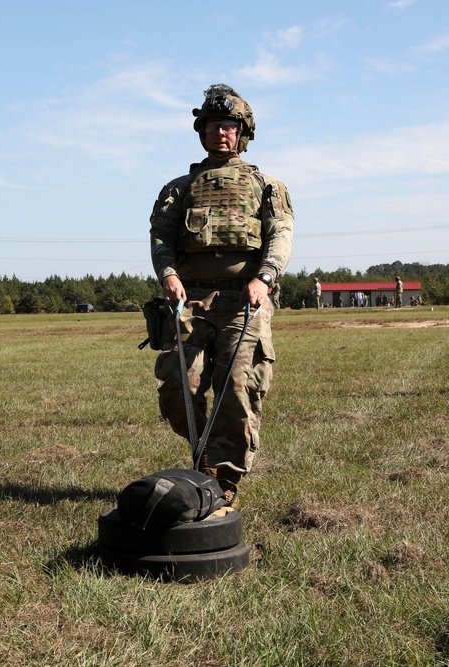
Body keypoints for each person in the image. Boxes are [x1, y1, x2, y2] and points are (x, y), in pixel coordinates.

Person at [149, 84, 294, 504]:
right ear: (202, 132)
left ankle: (224, 476)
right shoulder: (179, 188)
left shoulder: (267, 186)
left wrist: (263, 278)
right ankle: (205, 451)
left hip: (244, 301)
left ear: (242, 132)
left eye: (228, 126)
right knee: (177, 386)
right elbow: (161, 237)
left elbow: (280, 235)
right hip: (189, 301)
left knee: (236, 385)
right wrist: (168, 274)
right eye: (212, 126)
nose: (220, 133)